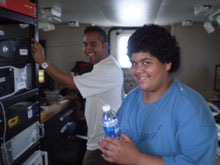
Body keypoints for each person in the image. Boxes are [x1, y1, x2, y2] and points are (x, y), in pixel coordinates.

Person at [99, 24, 218, 165]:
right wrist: (113, 148)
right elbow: (120, 136)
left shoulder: (192, 107)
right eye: (134, 63)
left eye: (146, 62)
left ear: (167, 63)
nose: (137, 70)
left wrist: (137, 159)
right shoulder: (131, 99)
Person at [31, 26, 123, 165]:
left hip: (103, 143)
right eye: (85, 44)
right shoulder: (104, 66)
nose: (88, 49)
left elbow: (72, 83)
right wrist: (68, 97)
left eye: (93, 44)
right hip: (103, 139)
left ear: (105, 45)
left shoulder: (107, 70)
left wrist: (42, 62)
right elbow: (93, 94)